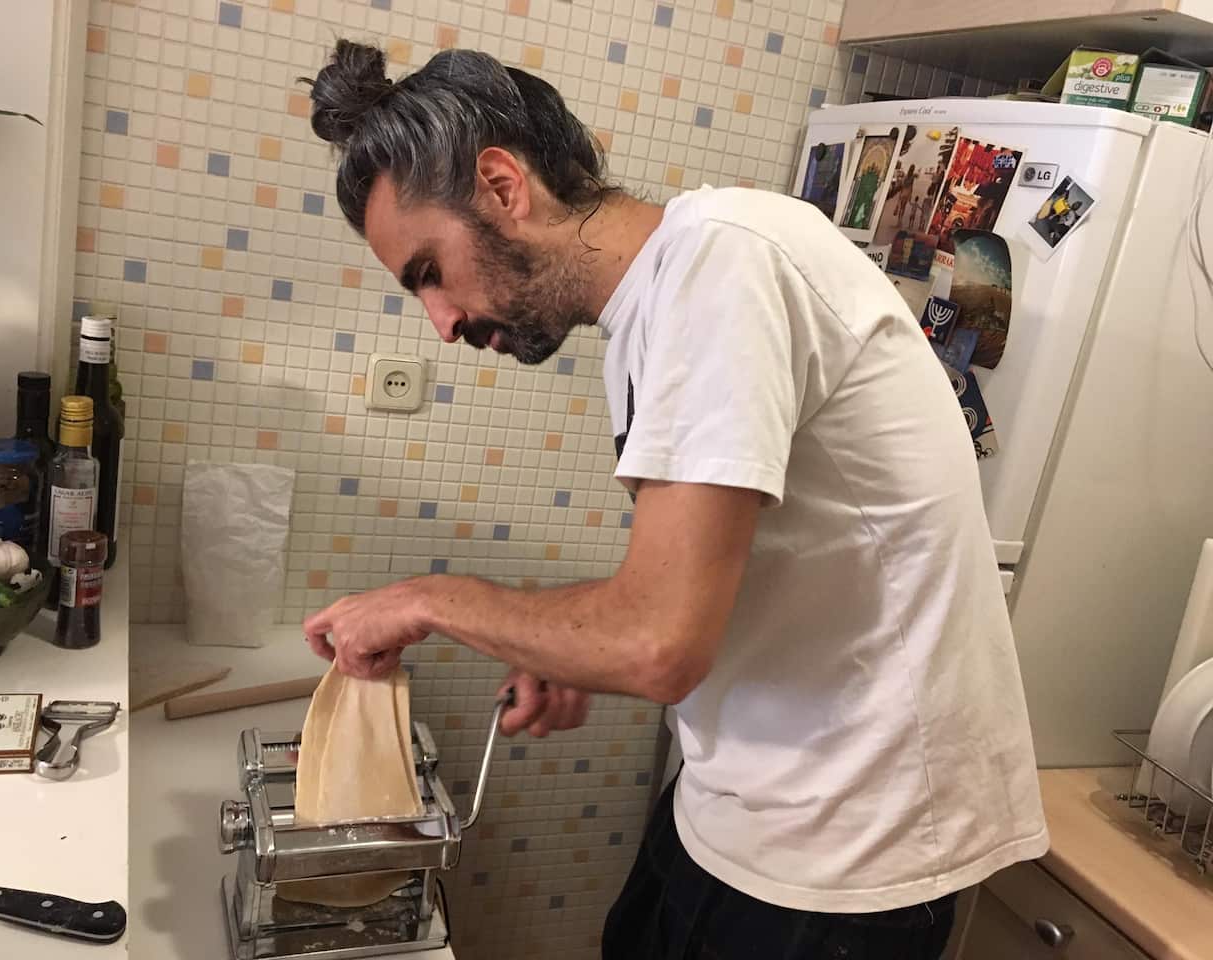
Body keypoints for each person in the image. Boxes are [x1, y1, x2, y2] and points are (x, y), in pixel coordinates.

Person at [300, 40, 1049, 960]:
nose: (443, 323)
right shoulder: (651, 310)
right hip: (748, 802)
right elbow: (689, 586)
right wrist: (565, 643)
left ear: (501, 185)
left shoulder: (722, 266)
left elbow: (656, 644)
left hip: (850, 853)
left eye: (428, 273)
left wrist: (425, 600)